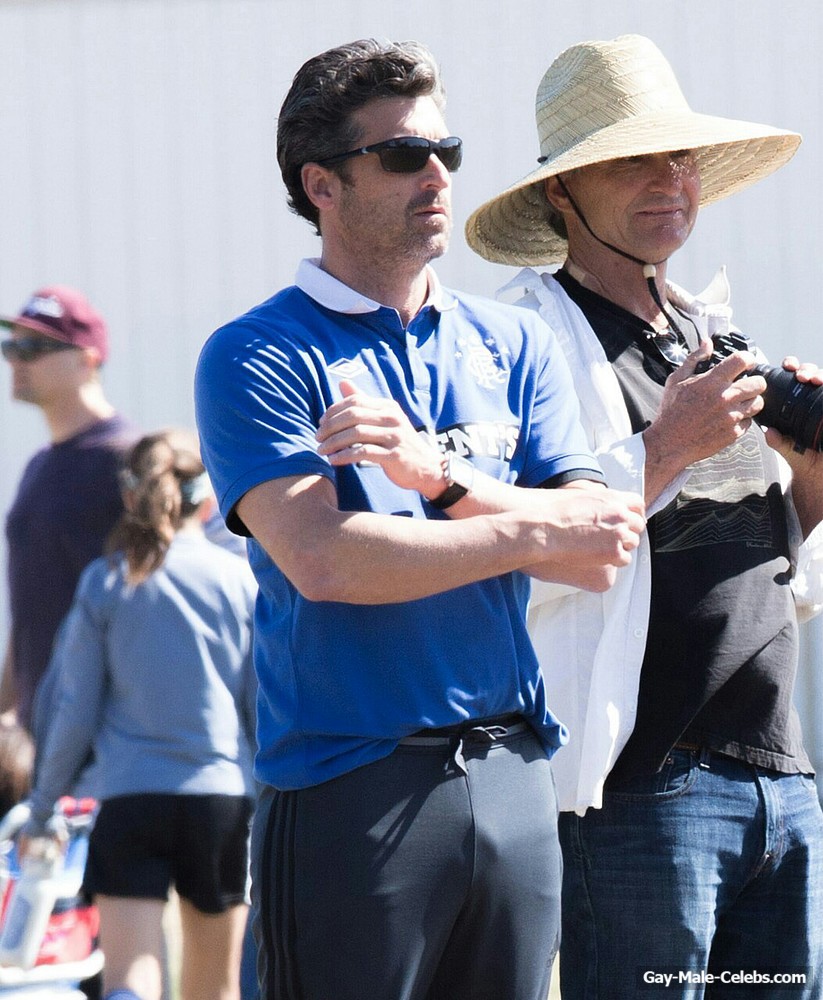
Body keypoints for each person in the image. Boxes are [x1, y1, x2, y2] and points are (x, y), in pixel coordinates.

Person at [194, 37, 646, 1000]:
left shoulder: (513, 339)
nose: (437, 175)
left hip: (513, 771)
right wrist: (529, 529)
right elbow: (328, 562)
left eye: (448, 151)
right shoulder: (258, 351)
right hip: (352, 784)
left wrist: (436, 474)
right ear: (321, 184)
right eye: (404, 155)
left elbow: (601, 543)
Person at [465, 33, 823, 999]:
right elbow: (512, 547)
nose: (669, 180)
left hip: (778, 773)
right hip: (638, 787)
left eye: (682, 156)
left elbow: (761, 556)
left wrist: (813, 482)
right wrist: (664, 447)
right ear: (559, 192)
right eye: (632, 159)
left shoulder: (714, 331)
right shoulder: (519, 340)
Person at [20, 429, 257, 1000]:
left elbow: (73, 710)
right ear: (210, 501)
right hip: (222, 800)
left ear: (130, 496)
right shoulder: (241, 581)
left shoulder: (106, 581)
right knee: (216, 987)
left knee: (131, 979)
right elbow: (260, 707)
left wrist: (42, 807)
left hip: (129, 799)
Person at [1, 285, 137, 732]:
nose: (16, 361)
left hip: (107, 731)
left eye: (33, 348)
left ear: (87, 360)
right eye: (11, 347)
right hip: (41, 728)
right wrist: (8, 707)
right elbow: (30, 606)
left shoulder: (130, 460)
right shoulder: (39, 466)